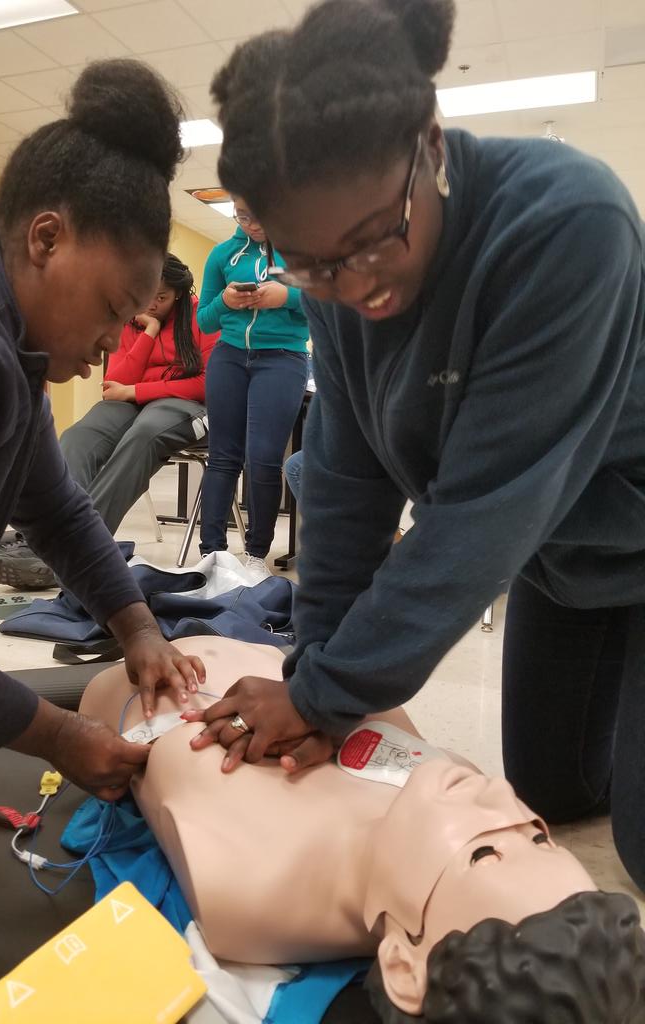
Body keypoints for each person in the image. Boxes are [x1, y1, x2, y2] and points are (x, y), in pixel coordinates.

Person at [183, 0, 645, 896]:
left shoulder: (565, 221)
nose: (352, 288)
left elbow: (478, 516)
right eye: (311, 265)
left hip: (616, 517)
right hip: (565, 556)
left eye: (371, 243)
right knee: (549, 789)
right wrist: (315, 677)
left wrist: (321, 698)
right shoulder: (332, 277)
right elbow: (351, 494)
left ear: (430, 146)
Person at [0, 59, 208, 903]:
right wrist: (58, 736)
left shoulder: (6, 349)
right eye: (109, 310)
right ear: (47, 238)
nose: (111, 343)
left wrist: (137, 629)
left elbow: (58, 510)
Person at [78, 636, 645, 1023]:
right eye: (538, 836)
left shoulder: (239, 879)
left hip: (138, 666)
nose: (498, 795)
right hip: (266, 647)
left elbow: (164, 710)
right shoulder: (452, 784)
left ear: (403, 963)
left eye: (487, 854)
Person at [0, 253, 218, 589]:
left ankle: (77, 551)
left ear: (179, 294)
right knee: (80, 435)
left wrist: (137, 390)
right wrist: (148, 332)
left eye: (161, 298)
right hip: (135, 400)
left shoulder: (202, 316)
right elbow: (115, 381)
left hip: (190, 406)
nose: (150, 304)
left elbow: (208, 383)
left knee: (145, 433)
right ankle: (43, 538)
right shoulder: (133, 315)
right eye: (146, 294)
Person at [196, 199, 310, 581]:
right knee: (222, 456)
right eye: (242, 215)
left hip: (282, 359)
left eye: (259, 213)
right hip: (228, 356)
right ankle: (211, 553)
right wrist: (226, 301)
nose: (252, 223)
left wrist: (286, 296)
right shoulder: (222, 255)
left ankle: (257, 555)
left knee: (262, 458)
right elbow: (205, 320)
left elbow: (322, 304)